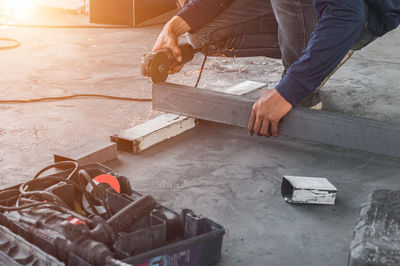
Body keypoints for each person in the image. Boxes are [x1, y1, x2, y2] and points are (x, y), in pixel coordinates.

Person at [152, 0, 400, 137]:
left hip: (365, 14)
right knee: (204, 34)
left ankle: (305, 89)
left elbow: (347, 15)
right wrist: (174, 26)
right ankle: (316, 52)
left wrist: (290, 90)